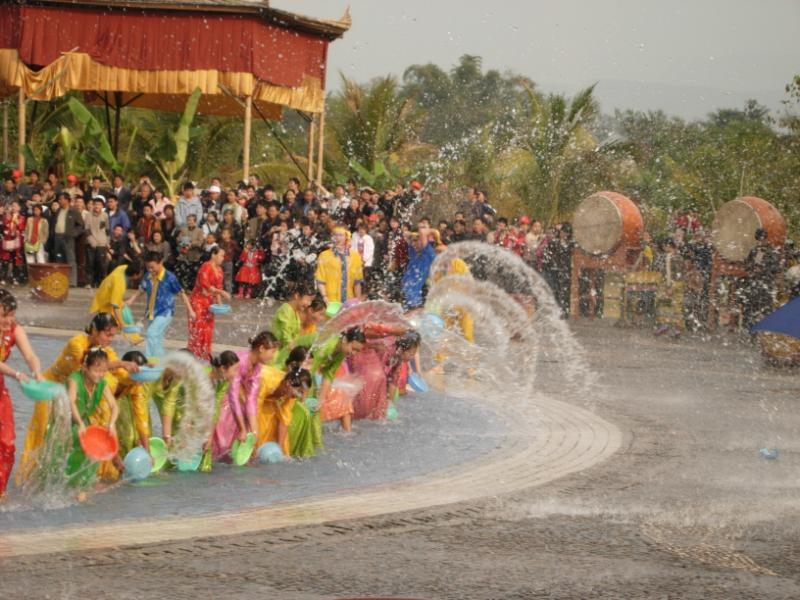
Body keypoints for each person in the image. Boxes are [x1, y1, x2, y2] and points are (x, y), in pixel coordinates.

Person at [16, 312, 138, 484]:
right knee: (44, 436)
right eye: (107, 334)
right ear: (94, 330)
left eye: (113, 335)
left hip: (72, 395)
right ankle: (30, 480)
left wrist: (137, 375)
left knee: (78, 437)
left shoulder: (106, 351)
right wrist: (121, 363)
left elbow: (115, 372)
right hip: (51, 390)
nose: (110, 339)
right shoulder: (77, 343)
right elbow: (92, 364)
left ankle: (81, 478)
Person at [0, 290, 42, 496]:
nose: (9, 320)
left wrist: (37, 373)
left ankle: (0, 491)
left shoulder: (14, 330)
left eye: (12, 315)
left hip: (0, 392)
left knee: (7, 443)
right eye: (4, 316)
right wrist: (17, 374)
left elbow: (31, 356)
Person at [213, 331, 279, 460]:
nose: (272, 356)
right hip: (223, 401)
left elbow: (251, 401)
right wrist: (242, 429)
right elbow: (232, 396)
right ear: (261, 349)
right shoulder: (241, 361)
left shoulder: (257, 368)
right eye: (272, 352)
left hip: (237, 404)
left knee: (247, 428)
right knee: (222, 449)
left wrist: (253, 434)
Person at [124, 250, 196, 359]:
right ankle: (160, 361)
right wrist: (131, 300)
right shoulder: (148, 275)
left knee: (151, 333)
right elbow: (141, 290)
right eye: (148, 267)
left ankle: (151, 360)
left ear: (160, 262)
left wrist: (190, 310)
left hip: (165, 312)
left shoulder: (169, 277)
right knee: (156, 338)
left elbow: (182, 294)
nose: (150, 270)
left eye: (152, 267)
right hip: (151, 312)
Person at [65, 348, 119, 489]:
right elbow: (71, 402)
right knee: (67, 457)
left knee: (93, 453)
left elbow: (114, 406)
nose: (100, 375)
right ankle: (71, 489)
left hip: (83, 422)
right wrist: (80, 423)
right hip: (66, 422)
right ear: (85, 366)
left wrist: (111, 425)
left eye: (103, 371)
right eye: (96, 370)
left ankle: (82, 489)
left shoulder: (102, 383)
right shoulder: (74, 379)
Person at [312, 327, 366, 433]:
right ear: (345, 340)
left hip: (312, 375)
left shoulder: (340, 353)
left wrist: (321, 399)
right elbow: (310, 369)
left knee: (339, 396)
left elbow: (328, 375)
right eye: (353, 348)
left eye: (357, 351)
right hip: (292, 366)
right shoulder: (326, 345)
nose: (353, 353)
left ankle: (347, 433)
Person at [256, 359, 312, 456]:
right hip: (247, 397)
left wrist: (279, 448)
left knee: (283, 448)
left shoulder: (291, 395)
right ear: (289, 383)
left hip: (266, 402)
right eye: (299, 391)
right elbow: (253, 410)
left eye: (302, 393)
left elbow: (284, 420)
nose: (299, 396)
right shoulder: (268, 380)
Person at [199, 350, 240, 472]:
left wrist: (210, 435)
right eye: (234, 370)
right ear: (223, 368)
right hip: (178, 402)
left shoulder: (224, 382)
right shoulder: (202, 376)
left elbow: (215, 408)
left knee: (205, 453)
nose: (236, 374)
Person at [188, 245, 230, 360]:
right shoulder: (205, 267)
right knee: (198, 328)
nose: (223, 258)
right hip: (198, 301)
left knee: (208, 330)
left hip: (209, 304)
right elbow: (206, 287)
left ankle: (205, 355)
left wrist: (220, 305)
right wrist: (222, 292)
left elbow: (217, 288)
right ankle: (194, 355)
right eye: (221, 255)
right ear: (213, 255)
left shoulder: (220, 271)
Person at [270, 280, 316, 366]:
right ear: (297, 296)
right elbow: (286, 336)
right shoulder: (285, 310)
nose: (309, 304)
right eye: (308, 300)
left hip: (286, 353)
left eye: (311, 301)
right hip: (276, 355)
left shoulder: (295, 313)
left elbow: (295, 337)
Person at [113, 350, 150, 459]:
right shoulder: (111, 379)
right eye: (137, 371)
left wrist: (147, 451)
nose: (142, 376)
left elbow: (141, 417)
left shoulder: (135, 385)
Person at [315, 227, 364, 304]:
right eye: (335, 235)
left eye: (341, 235)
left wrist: (358, 300)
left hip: (349, 300)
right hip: (330, 300)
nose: (338, 238)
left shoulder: (355, 256)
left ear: (347, 237)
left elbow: (357, 282)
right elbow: (320, 280)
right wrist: (324, 297)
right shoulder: (324, 255)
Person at [402, 229, 436, 310]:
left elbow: (423, 233)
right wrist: (412, 235)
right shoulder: (414, 253)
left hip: (418, 301)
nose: (413, 244)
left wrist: (432, 233)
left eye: (416, 241)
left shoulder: (428, 254)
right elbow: (405, 234)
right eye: (412, 241)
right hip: (406, 297)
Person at [0, 201, 26, 284]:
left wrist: (16, 221)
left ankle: (16, 278)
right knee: (5, 259)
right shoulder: (7, 216)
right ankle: (3, 278)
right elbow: (4, 225)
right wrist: (8, 216)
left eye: (15, 206)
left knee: (16, 260)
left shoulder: (22, 217)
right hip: (7, 240)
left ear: (19, 208)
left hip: (17, 241)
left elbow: (21, 227)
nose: (13, 207)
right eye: (12, 206)